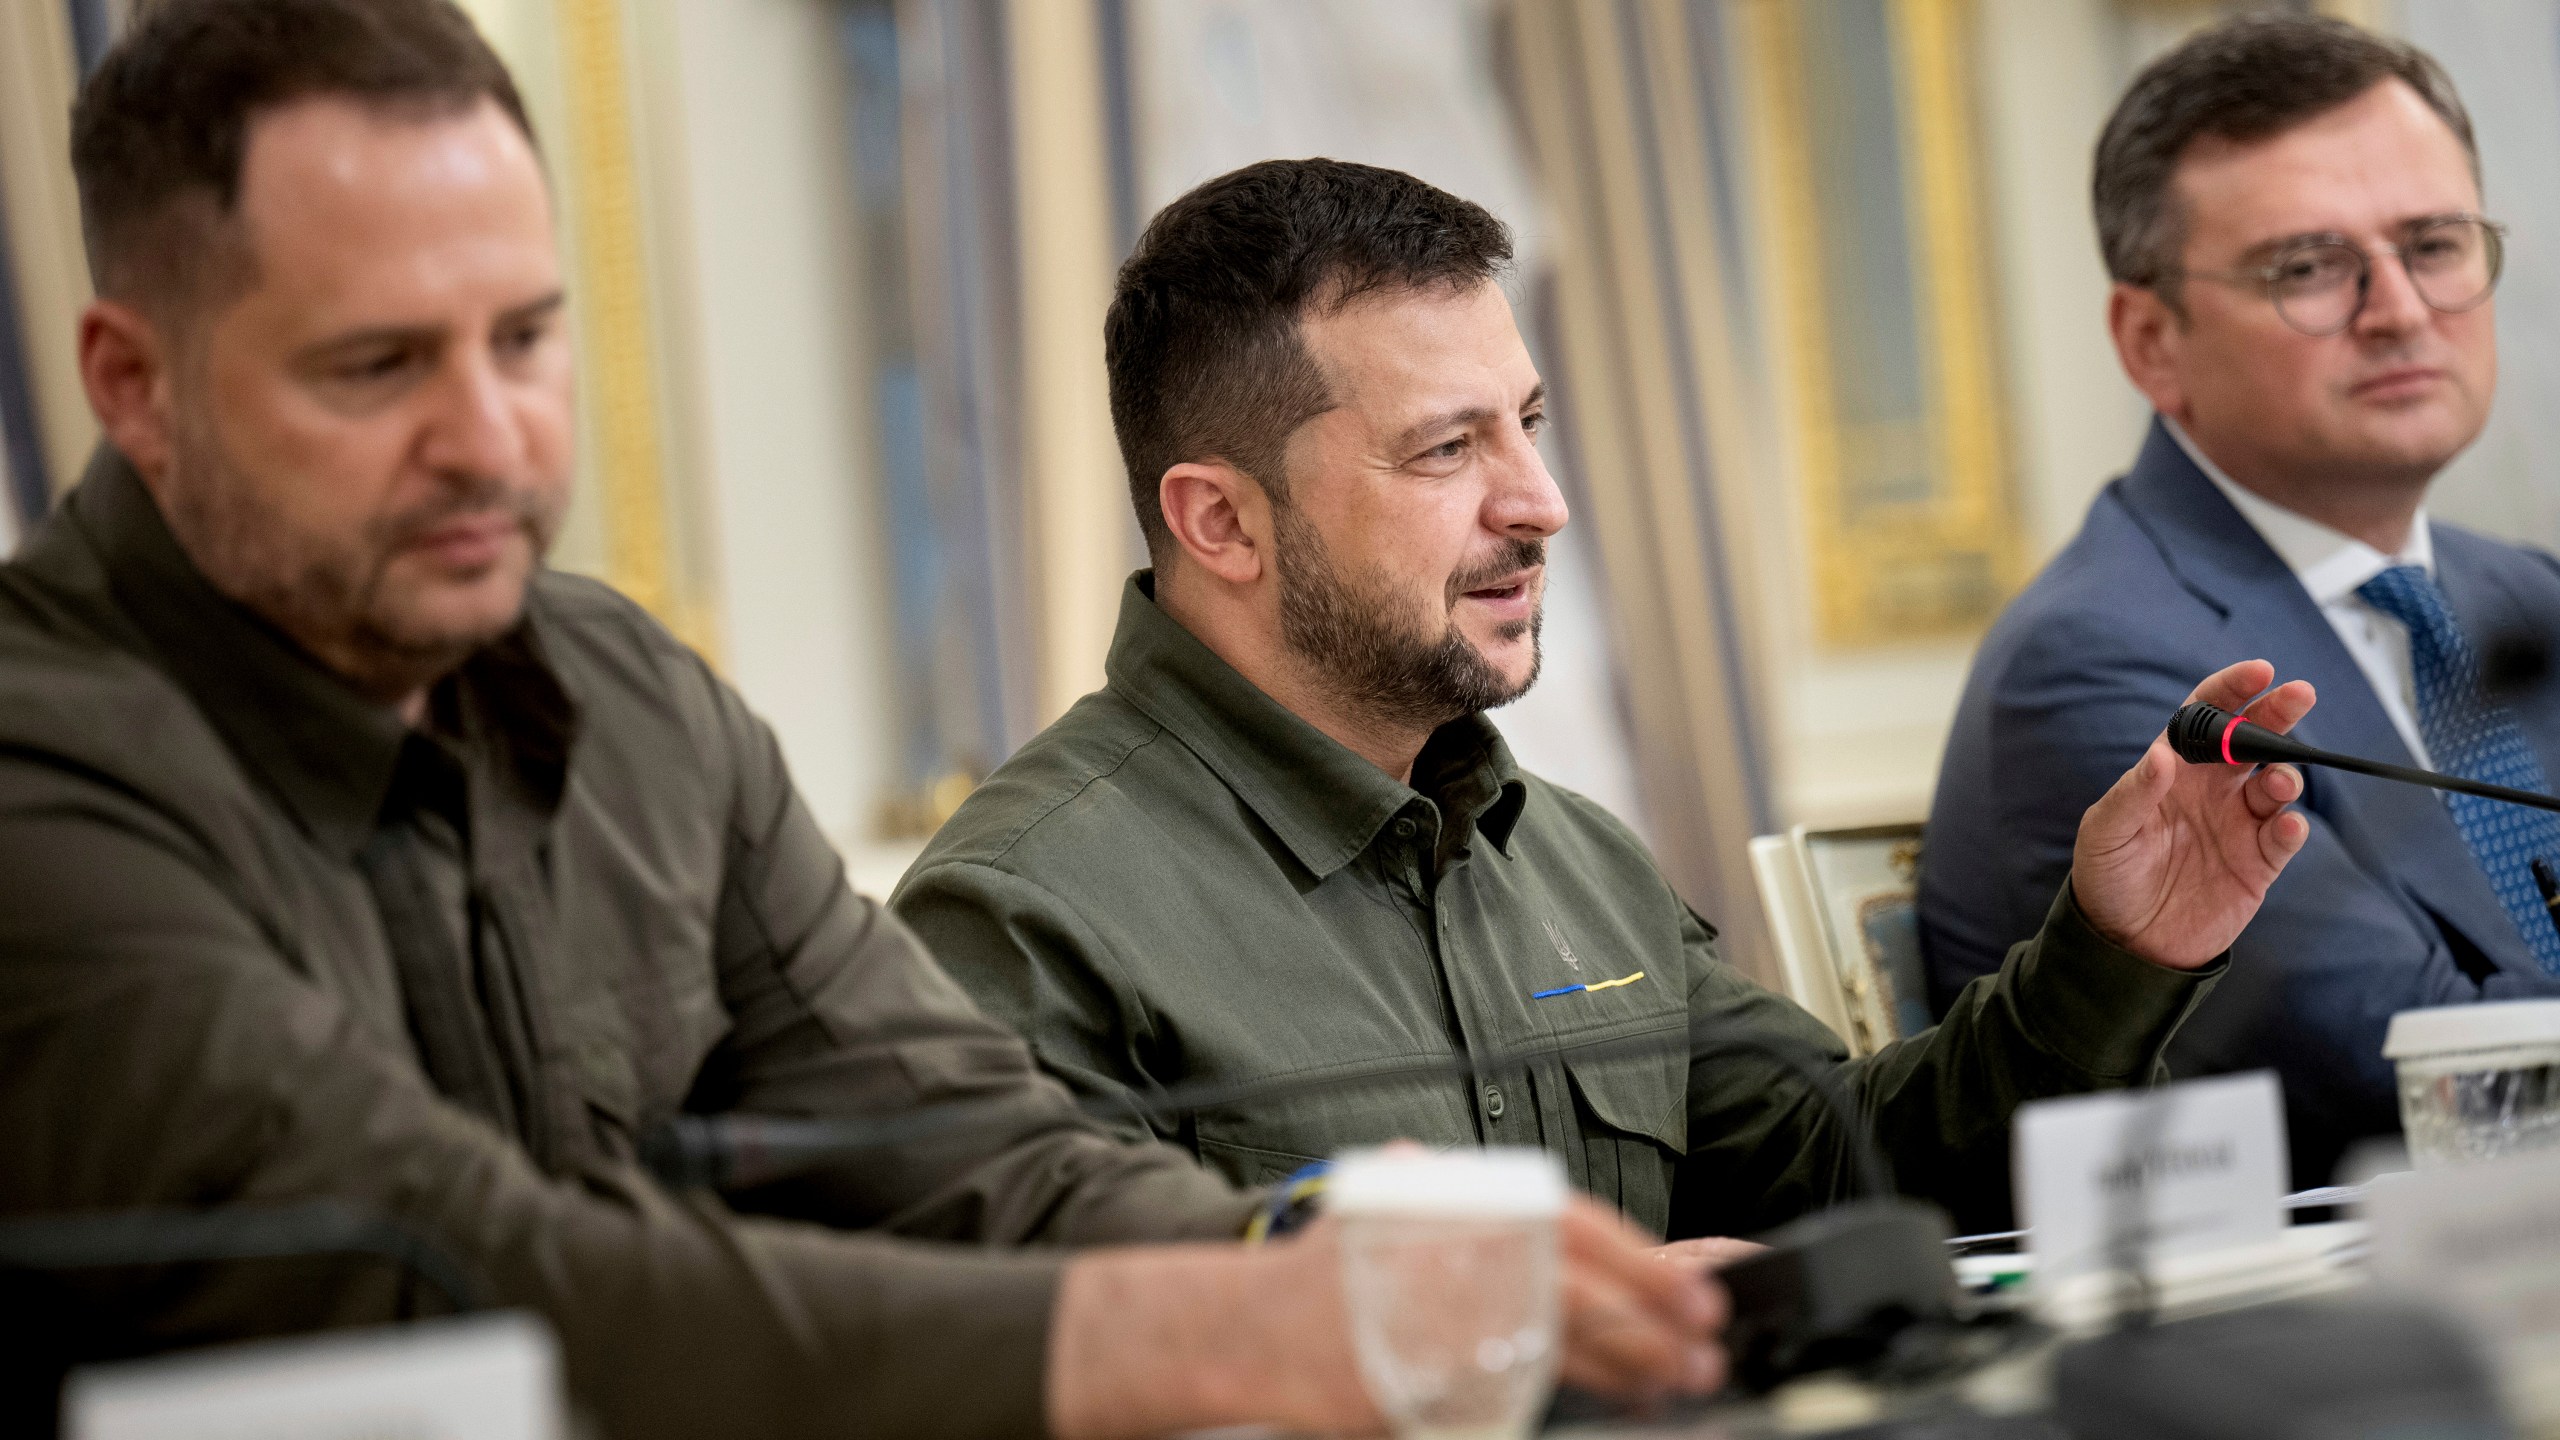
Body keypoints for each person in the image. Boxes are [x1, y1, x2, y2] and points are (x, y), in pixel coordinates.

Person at [0, 3, 1735, 1437]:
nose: (490, 436)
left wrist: (1304, 1268)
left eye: (524, 339)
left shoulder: (632, 700)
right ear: (133, 385)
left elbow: (964, 1146)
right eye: (376, 368)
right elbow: (452, 1272)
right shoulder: (39, 765)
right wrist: (1236, 1334)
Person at [892, 156, 2313, 1245]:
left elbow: (1855, 1172)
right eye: (1446, 450)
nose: (1543, 504)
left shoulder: (1566, 854)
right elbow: (1056, 1368)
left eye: (1531, 424)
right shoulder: (1023, 917)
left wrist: (2120, 947)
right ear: (1219, 524)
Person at [1920, 14, 2560, 1186]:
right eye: (2308, 268)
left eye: (2434, 243)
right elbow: (2410, 1082)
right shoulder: (2106, 663)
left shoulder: (2528, 595)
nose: (2401, 309)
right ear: (2152, 340)